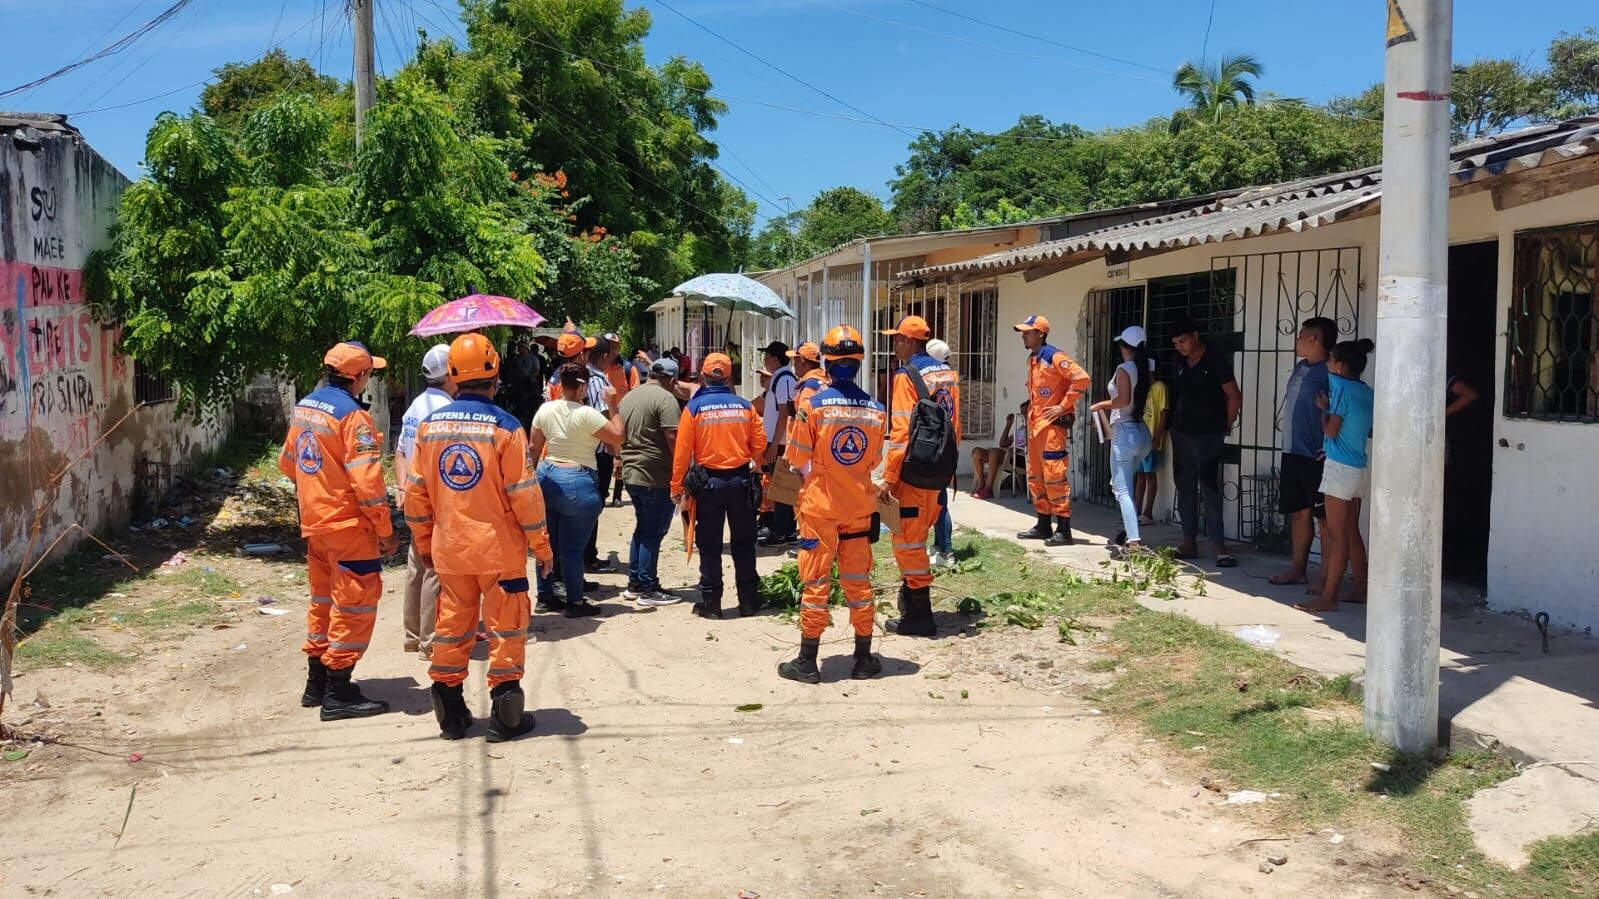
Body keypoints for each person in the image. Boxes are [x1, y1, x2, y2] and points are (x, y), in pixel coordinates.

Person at [404, 334, 555, 741]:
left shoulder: (429, 428)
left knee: (452, 628)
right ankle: (505, 718)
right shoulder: (507, 429)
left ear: (453, 376)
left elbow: (415, 493)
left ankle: (451, 716)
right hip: (499, 553)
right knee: (507, 630)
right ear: (495, 375)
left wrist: (423, 544)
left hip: (450, 551)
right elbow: (524, 495)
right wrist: (541, 546)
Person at [277, 341, 396, 721]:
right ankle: (339, 690)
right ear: (358, 376)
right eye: (369, 373)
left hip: (315, 524)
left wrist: (318, 488)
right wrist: (386, 530)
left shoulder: (306, 408)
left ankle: (316, 684)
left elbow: (287, 463)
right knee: (355, 605)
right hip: (348, 526)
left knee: (323, 601)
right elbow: (369, 485)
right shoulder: (353, 418)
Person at [779, 325, 887, 683]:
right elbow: (872, 461)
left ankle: (807, 662)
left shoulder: (813, 406)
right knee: (858, 582)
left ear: (826, 361)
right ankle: (863, 658)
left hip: (820, 508)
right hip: (859, 508)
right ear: (858, 362)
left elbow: (796, 457)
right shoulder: (876, 410)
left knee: (816, 583)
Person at [878, 315, 960, 637]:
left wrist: (888, 477)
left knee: (908, 541)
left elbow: (900, 434)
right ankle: (912, 601)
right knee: (920, 533)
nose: (894, 344)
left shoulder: (905, 376)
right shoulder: (948, 373)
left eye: (897, 339)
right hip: (938, 469)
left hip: (912, 472)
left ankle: (919, 615)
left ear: (909, 342)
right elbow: (955, 426)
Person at [671, 352, 767, 619]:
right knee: (744, 543)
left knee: (710, 545)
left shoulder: (694, 408)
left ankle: (711, 603)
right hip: (741, 481)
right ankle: (749, 601)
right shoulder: (745, 406)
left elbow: (682, 452)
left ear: (702, 376)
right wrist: (752, 459)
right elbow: (760, 442)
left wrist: (676, 487)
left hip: (708, 484)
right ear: (729, 377)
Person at [530, 363, 624, 617]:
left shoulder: (545, 410)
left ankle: (545, 595)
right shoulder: (587, 414)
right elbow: (617, 436)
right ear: (582, 386)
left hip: (547, 475)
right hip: (578, 478)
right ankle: (575, 600)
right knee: (572, 550)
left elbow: (534, 449)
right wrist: (613, 405)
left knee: (547, 543)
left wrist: (531, 483)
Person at [1298, 338, 1375, 612]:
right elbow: (1365, 429)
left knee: (1337, 534)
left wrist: (1324, 412)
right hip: (1358, 467)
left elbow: (1331, 430)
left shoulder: (1339, 385)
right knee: (1352, 532)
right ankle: (1360, 588)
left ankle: (1328, 597)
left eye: (1331, 360)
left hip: (1339, 468)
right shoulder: (1366, 391)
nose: (1328, 364)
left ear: (1340, 366)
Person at [394, 344, 455, 658]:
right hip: (434, 498)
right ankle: (430, 642)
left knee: (416, 565)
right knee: (434, 568)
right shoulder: (444, 411)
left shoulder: (414, 406)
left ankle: (412, 635)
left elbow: (400, 451)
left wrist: (401, 488)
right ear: (449, 375)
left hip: (413, 496)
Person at [1169, 317, 1242, 567]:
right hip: (1181, 433)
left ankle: (1218, 546)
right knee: (1185, 486)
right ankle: (1189, 541)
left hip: (1208, 435)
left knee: (1209, 489)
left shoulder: (1215, 360)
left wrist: (1224, 425)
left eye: (1183, 341)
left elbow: (1234, 396)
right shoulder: (1179, 361)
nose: (1179, 346)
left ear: (1196, 335)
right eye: (1176, 343)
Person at [1013, 315, 1090, 546]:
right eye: (1023, 332)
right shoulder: (1033, 359)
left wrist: (1063, 406)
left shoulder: (1054, 356)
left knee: (1054, 476)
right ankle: (1043, 524)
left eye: (1028, 332)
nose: (1024, 336)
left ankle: (1064, 529)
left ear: (1041, 334)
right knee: (1036, 476)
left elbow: (1082, 378)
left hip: (1051, 428)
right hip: (1036, 426)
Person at [1268, 317, 1334, 586]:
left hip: (1315, 454)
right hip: (1292, 450)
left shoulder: (1331, 371)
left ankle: (1326, 578)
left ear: (1314, 339)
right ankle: (1298, 569)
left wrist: (1330, 447)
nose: (1297, 340)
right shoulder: (1300, 367)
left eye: (1301, 336)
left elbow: (1340, 410)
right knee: (1298, 513)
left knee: (1324, 518)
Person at [618, 357, 683, 606]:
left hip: (632, 473)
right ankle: (648, 587)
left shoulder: (631, 396)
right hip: (655, 475)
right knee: (653, 532)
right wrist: (683, 471)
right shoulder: (665, 399)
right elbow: (673, 437)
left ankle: (635, 583)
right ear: (672, 379)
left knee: (643, 528)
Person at [1089, 326, 1154, 549]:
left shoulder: (1124, 369)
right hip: (1142, 433)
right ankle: (1129, 531)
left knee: (1122, 488)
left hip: (1125, 432)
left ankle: (1133, 539)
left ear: (1125, 347)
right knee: (1122, 484)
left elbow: (1123, 401)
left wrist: (1100, 405)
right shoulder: (1147, 367)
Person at [583, 336, 622, 573]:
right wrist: (616, 450)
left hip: (590, 449)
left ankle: (588, 554)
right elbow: (604, 415)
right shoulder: (598, 381)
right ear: (604, 356)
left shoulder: (583, 375)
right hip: (599, 450)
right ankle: (589, 556)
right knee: (595, 504)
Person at [757, 341, 798, 546]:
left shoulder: (783, 378)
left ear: (774, 358)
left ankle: (781, 532)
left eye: (766, 357)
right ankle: (788, 530)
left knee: (780, 486)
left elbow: (784, 413)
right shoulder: (782, 377)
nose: (764, 361)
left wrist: (773, 444)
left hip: (780, 442)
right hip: (778, 440)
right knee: (781, 485)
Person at [925, 337, 957, 569]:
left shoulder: (931, 377)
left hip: (936, 443)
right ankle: (939, 545)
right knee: (939, 497)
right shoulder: (951, 376)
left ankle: (946, 550)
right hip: (950, 440)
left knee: (939, 500)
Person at [603, 332, 638, 508]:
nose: (612, 349)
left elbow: (637, 393)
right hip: (601, 417)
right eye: (608, 345)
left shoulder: (628, 369)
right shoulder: (597, 368)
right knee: (603, 455)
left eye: (615, 346)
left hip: (622, 419)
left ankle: (617, 495)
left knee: (621, 457)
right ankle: (602, 491)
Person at [970, 402, 1027, 500]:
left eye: (1026, 411)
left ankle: (989, 489)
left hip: (1023, 459)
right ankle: (981, 483)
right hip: (1011, 455)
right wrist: (1009, 424)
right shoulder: (1021, 428)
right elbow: (1003, 444)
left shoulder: (1036, 428)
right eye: (1022, 412)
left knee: (994, 452)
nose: (1023, 414)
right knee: (977, 452)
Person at [1136, 360, 1168, 525]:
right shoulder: (1144, 389)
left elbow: (1163, 414)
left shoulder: (1159, 387)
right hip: (1141, 438)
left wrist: (1157, 437)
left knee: (1149, 475)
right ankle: (1136, 511)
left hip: (1151, 438)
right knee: (1140, 475)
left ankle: (1147, 513)